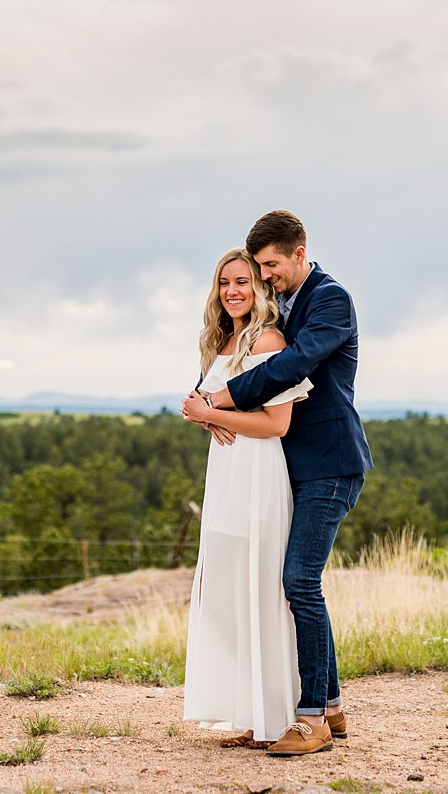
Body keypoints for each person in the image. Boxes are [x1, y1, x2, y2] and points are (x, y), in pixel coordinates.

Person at [185, 210, 369, 757]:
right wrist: (212, 407)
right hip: (288, 468)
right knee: (283, 584)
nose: (264, 277)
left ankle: (310, 716)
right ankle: (329, 705)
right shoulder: (279, 304)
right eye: (255, 268)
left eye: (269, 266)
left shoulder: (331, 300)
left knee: (298, 582)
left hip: (329, 465)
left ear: (299, 251)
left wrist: (222, 400)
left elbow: (295, 364)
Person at [178, 248, 309, 748]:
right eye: (224, 283)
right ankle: (248, 712)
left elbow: (277, 424)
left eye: (242, 282)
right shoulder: (225, 341)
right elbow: (198, 408)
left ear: (260, 287)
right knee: (227, 594)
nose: (232, 291)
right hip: (226, 477)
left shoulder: (271, 341)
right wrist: (207, 414)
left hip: (258, 476)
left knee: (260, 592)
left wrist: (213, 414)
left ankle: (274, 718)